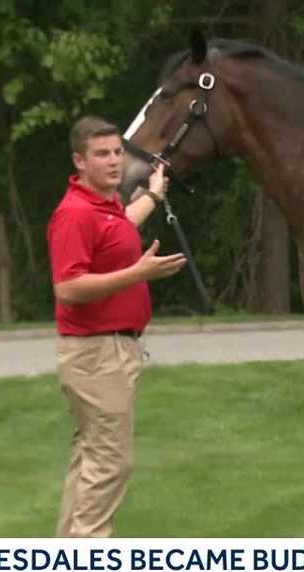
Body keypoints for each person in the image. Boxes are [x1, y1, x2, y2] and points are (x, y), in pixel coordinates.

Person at [47, 115, 186, 537]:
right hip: (95, 355)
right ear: (79, 161)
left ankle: (65, 553)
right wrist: (137, 273)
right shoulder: (74, 215)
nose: (113, 161)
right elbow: (68, 287)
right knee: (110, 462)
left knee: (91, 457)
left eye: (117, 152)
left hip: (110, 353)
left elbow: (121, 226)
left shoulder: (103, 208)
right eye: (101, 154)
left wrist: (154, 195)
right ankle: (88, 558)